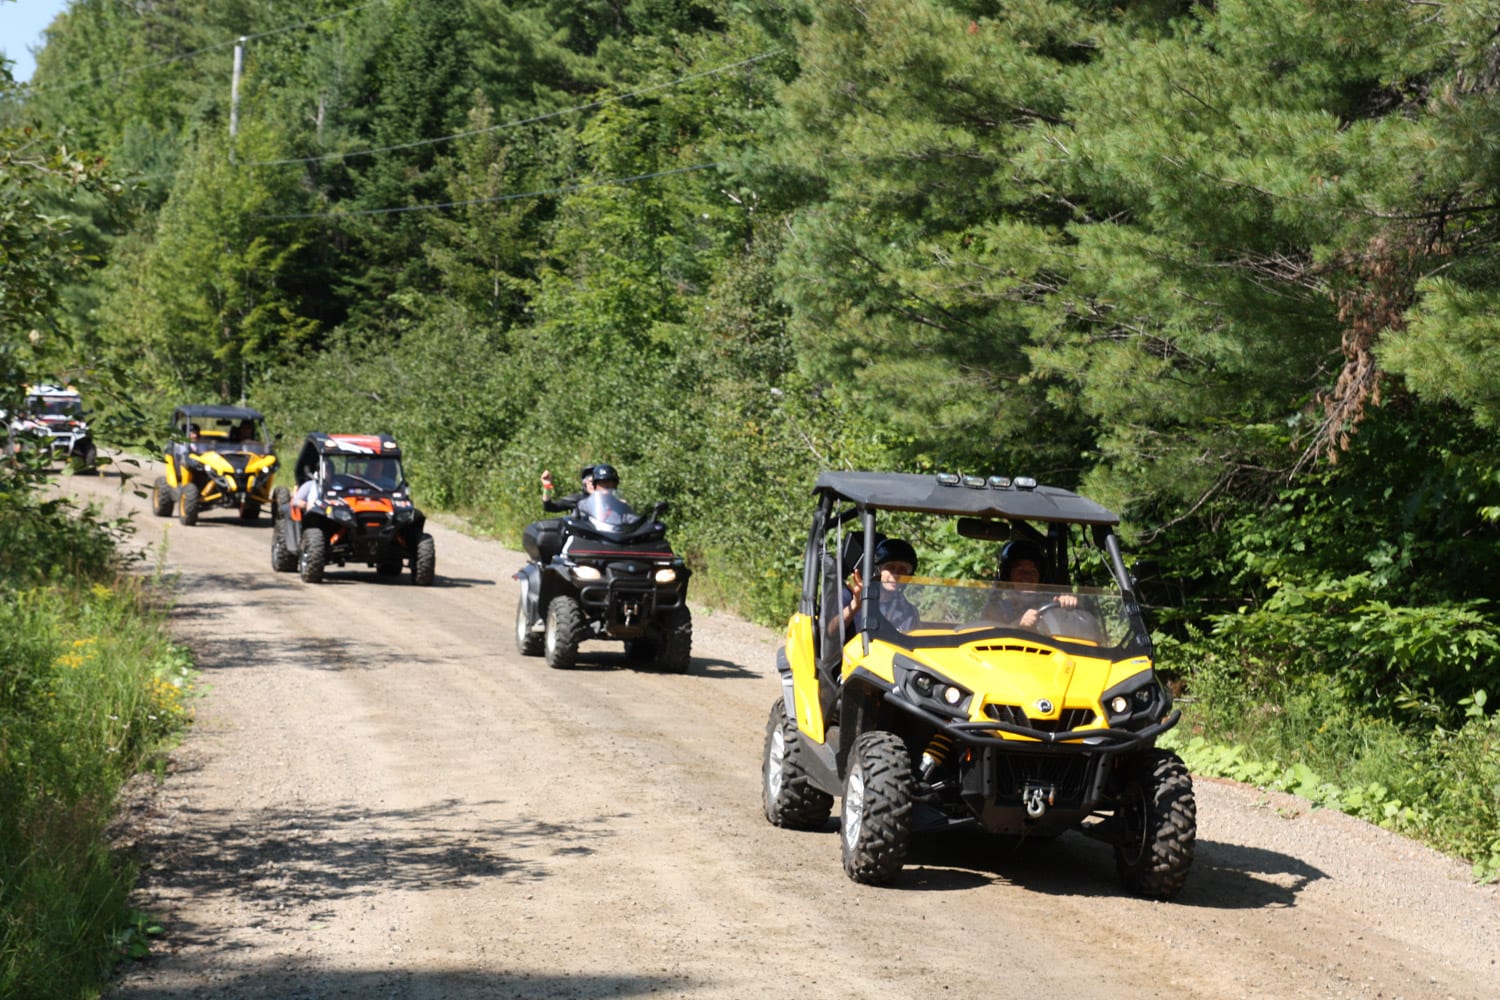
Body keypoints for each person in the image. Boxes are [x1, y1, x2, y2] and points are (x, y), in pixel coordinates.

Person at [830, 536, 921, 638]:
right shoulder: (849, 595)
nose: (896, 574)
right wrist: (855, 605)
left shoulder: (908, 611)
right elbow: (829, 632)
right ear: (877, 570)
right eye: (890, 568)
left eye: (902, 569)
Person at [989, 538, 1077, 629]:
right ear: (1008, 576)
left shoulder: (1053, 605)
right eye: (1020, 571)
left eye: (1032, 571)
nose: (1027, 576)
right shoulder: (997, 610)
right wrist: (1018, 624)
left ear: (1040, 577)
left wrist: (1068, 604)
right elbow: (986, 636)